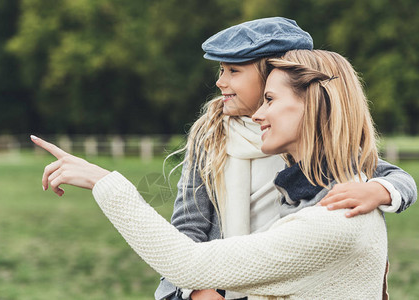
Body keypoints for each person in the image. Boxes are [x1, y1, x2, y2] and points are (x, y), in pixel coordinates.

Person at [31, 49, 415, 299]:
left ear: (313, 105)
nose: (259, 114)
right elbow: (189, 228)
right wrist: (196, 290)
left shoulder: (337, 212)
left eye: (269, 99)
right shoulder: (215, 139)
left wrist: (104, 182)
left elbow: (184, 260)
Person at [157, 18, 416, 300]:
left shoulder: (308, 140)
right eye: (221, 70)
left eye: (234, 70)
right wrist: (193, 291)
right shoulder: (209, 136)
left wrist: (378, 190)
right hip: (217, 285)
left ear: (272, 72)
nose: (220, 81)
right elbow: (186, 227)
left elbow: (397, 178)